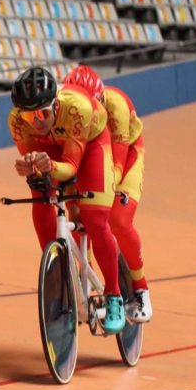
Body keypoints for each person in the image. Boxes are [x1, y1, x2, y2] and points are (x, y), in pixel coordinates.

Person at [9, 66, 126, 334]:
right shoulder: (17, 122)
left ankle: (114, 294)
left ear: (55, 104)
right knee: (40, 193)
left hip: (91, 143)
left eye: (42, 113)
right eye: (29, 115)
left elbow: (71, 168)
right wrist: (32, 168)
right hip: (51, 145)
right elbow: (38, 167)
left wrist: (48, 165)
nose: (36, 120)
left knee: (95, 219)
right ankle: (59, 270)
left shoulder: (77, 108)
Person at [62, 65, 152, 322]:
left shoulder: (117, 105)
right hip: (92, 152)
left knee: (118, 220)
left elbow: (118, 161)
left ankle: (141, 289)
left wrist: (108, 193)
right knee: (77, 213)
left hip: (126, 154)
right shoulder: (71, 109)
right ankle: (83, 281)